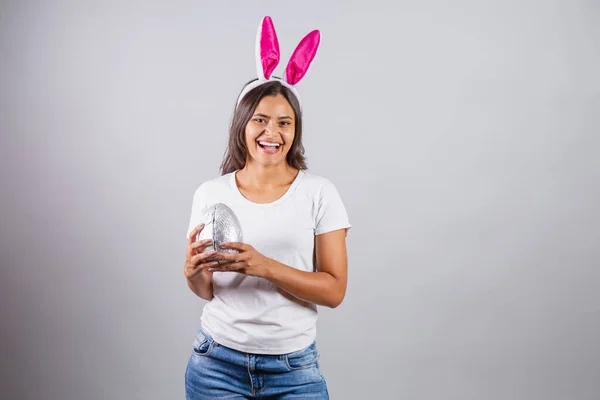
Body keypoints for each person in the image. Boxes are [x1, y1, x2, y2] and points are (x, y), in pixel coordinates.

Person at [183, 16, 351, 399]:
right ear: (243, 124)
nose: (271, 133)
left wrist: (265, 267)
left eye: (284, 123)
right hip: (215, 365)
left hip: (293, 368)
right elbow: (208, 289)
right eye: (260, 119)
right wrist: (192, 272)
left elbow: (334, 290)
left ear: (295, 131)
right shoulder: (210, 193)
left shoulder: (319, 193)